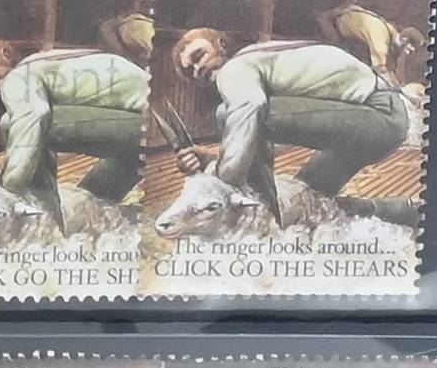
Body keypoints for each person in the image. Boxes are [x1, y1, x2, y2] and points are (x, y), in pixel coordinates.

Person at [154, 17, 416, 239]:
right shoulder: (263, 61)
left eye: (198, 56)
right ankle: (407, 211)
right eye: (190, 71)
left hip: (378, 114)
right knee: (309, 198)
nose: (197, 68)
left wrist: (222, 181)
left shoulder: (235, 68)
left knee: (227, 113)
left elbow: (251, 113)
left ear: (221, 44)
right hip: (372, 122)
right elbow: (279, 131)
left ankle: (264, 220)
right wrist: (214, 157)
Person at [0, 25, 150, 253]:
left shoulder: (19, 77)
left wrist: (6, 189)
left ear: (5, 54)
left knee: (10, 123)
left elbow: (37, 124)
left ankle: (45, 225)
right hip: (136, 144)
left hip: (140, 124)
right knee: (92, 203)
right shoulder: (45, 66)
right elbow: (58, 141)